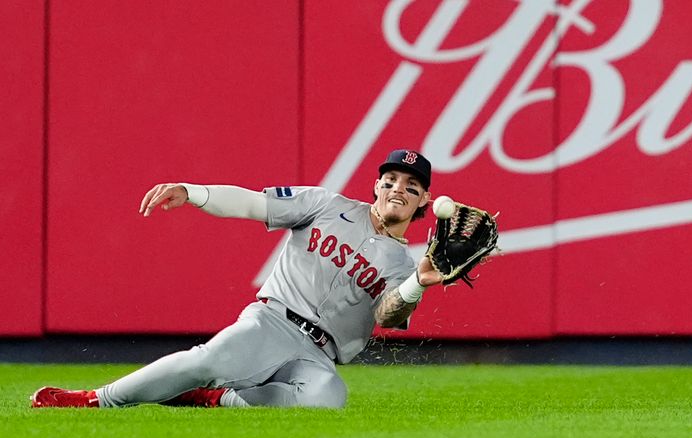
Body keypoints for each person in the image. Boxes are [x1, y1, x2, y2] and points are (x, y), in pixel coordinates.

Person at [32, 149, 445, 409]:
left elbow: (389, 315)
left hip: (318, 355)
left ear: (424, 199)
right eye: (390, 180)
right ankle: (94, 399)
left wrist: (419, 282)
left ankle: (217, 399)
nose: (398, 188)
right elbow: (252, 202)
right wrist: (194, 192)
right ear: (376, 185)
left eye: (411, 185)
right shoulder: (326, 205)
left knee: (326, 399)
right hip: (272, 322)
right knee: (208, 360)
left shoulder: (403, 265)